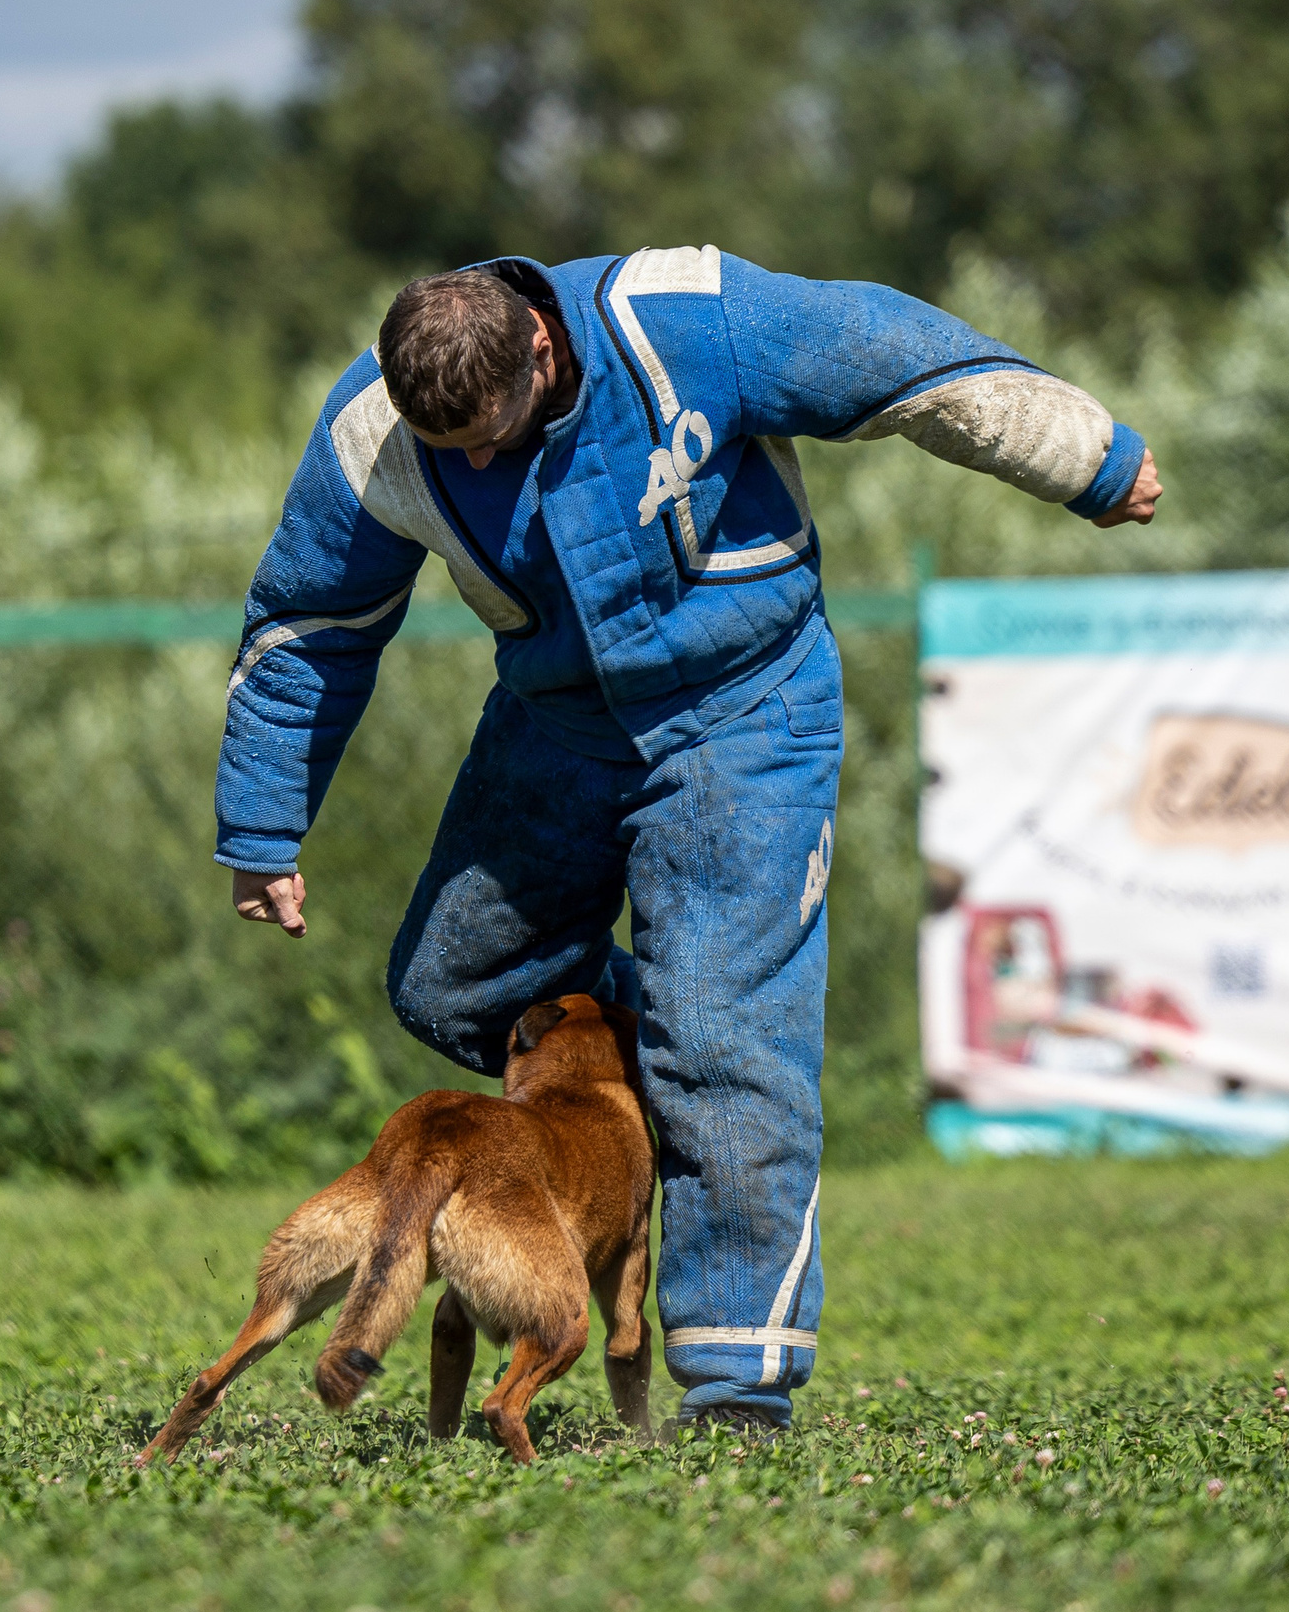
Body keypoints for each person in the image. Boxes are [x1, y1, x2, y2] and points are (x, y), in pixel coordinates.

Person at [214, 248, 1162, 1431]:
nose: (463, 463)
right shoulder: (373, 426)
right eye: (440, 441)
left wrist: (1092, 459)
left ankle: (735, 1393)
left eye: (486, 434)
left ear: (541, 353)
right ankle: (674, 1039)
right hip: (555, 727)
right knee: (447, 986)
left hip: (744, 710)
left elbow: (896, 359)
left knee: (722, 1036)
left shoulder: (685, 317)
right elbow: (309, 624)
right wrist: (261, 825)